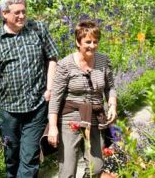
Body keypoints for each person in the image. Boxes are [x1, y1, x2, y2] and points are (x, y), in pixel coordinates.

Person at [0, 0, 58, 178]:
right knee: (11, 157)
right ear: (4, 14)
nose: (22, 16)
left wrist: (49, 88)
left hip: (36, 107)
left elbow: (52, 58)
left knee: (30, 158)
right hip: (10, 110)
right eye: (17, 13)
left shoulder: (38, 29)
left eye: (24, 11)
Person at [47, 20, 118, 178]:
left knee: (97, 168)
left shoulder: (103, 61)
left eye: (95, 41)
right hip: (70, 119)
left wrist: (112, 105)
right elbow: (55, 99)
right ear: (77, 42)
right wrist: (53, 127)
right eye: (88, 42)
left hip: (95, 116)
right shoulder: (65, 64)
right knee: (67, 171)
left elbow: (110, 87)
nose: (92, 45)